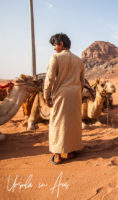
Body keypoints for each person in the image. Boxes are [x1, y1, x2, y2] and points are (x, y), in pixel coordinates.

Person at [44, 33, 85, 164]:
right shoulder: (79, 60)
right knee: (73, 122)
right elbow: (82, 81)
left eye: (55, 45)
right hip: (75, 94)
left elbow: (49, 79)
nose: (54, 48)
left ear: (61, 43)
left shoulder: (55, 57)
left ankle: (57, 154)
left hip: (61, 94)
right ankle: (72, 151)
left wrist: (46, 95)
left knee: (57, 122)